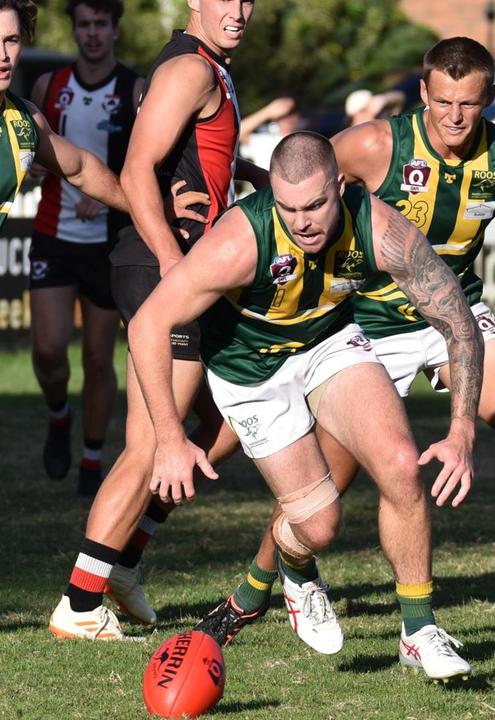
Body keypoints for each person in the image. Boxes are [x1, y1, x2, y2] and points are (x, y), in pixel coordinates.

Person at [194, 36, 495, 660]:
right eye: (443, 101)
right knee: (326, 487)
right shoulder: (377, 144)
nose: (455, 116)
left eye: (471, 102)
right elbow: (296, 187)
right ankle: (255, 589)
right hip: (365, 326)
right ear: (424, 93)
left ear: (490, 98)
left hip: (456, 319)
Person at [130, 131, 484, 680]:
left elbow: (459, 320)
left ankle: (419, 630)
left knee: (399, 465)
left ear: (340, 188)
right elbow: (149, 323)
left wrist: (461, 430)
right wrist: (170, 438)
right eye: (290, 208)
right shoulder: (238, 243)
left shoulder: (382, 228)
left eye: (316, 205)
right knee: (319, 527)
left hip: (328, 343)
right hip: (251, 373)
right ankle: (297, 568)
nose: (304, 222)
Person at [48, 0, 268, 640]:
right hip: (161, 271)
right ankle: (82, 602)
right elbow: (137, 170)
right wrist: (175, 265)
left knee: (227, 421)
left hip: (184, 273)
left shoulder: (210, 68)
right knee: (151, 444)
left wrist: (256, 175)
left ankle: (124, 560)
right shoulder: (190, 71)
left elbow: (195, 165)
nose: (239, 9)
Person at [27, 0, 141, 496]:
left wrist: (109, 193)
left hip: (108, 242)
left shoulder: (134, 89)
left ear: (115, 29)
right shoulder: (47, 87)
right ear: (74, 30)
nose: (92, 33)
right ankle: (59, 415)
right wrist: (31, 165)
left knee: (99, 359)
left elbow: (145, 159)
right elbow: (34, 150)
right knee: (49, 350)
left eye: (101, 24)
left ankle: (92, 458)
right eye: (84, 24)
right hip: (53, 233)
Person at [238, 95, 301, 171]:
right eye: (284, 114)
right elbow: (239, 131)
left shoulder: (306, 137)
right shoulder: (264, 134)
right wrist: (268, 111)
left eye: (292, 112)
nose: (289, 118)